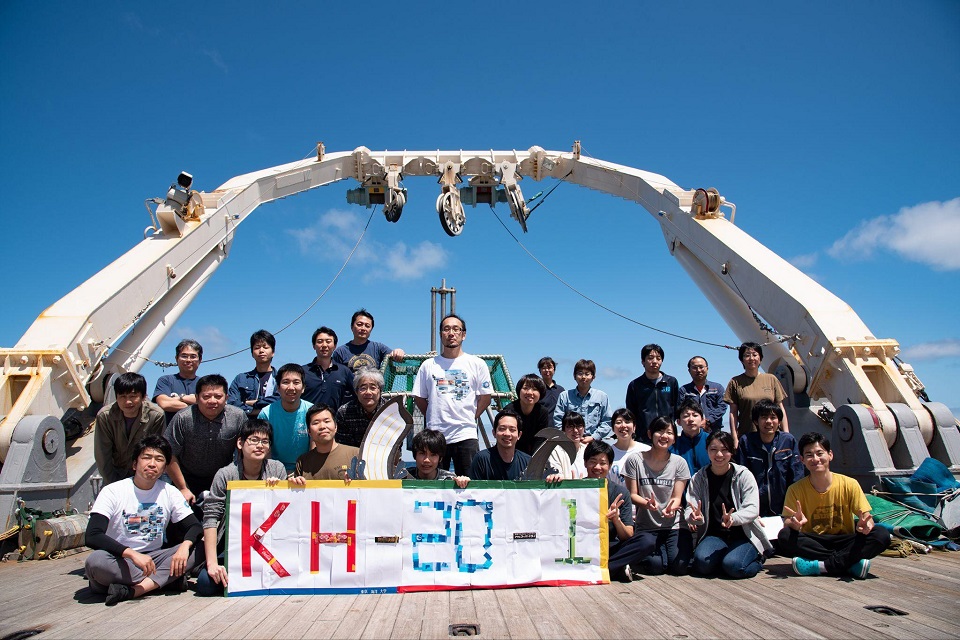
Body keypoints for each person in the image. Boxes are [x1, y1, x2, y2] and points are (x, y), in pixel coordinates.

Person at [84, 435, 201, 605]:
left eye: (159, 459)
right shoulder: (113, 491)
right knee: (96, 563)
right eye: (146, 457)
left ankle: (134, 590)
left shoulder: (169, 491)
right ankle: (164, 581)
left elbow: (195, 526)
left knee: (201, 546)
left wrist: (185, 546)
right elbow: (93, 535)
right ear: (134, 464)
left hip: (154, 558)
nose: (152, 463)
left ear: (165, 468)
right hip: (121, 559)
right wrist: (131, 554)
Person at [778, 432, 890, 579]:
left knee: (881, 535)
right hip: (815, 541)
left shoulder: (849, 484)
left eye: (819, 453)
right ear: (802, 460)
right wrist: (794, 523)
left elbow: (867, 518)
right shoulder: (795, 489)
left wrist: (866, 525)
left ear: (830, 455)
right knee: (785, 536)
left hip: (845, 539)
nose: (815, 459)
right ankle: (850, 564)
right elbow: (787, 521)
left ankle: (822, 566)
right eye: (809, 455)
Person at [196, 419, 287, 597]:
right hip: (232, 545)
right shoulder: (226, 474)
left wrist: (277, 491)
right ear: (240, 443)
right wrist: (212, 563)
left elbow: (284, 514)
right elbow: (211, 517)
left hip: (267, 545)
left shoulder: (276, 469)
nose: (259, 446)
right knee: (206, 584)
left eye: (265, 441)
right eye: (253, 440)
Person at [610, 417, 691, 579]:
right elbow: (632, 495)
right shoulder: (635, 460)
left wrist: (672, 507)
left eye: (669, 432)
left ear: (675, 438)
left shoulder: (679, 463)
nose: (664, 436)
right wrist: (646, 503)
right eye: (659, 431)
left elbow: (677, 497)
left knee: (679, 567)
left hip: (674, 525)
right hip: (647, 527)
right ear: (649, 434)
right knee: (656, 567)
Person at [413, 314, 492, 476]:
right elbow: (419, 398)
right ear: (441, 333)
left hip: (466, 434)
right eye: (446, 329)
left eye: (456, 329)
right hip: (435, 435)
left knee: (469, 484)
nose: (451, 333)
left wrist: (471, 416)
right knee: (433, 485)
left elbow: (485, 398)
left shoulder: (477, 364)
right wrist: (433, 415)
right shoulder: (428, 365)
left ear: (464, 334)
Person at [686, 431, 770, 579]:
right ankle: (725, 559)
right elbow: (690, 507)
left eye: (724, 450)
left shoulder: (743, 475)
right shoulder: (699, 477)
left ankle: (757, 559)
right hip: (714, 535)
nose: (719, 454)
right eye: (713, 449)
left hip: (744, 535)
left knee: (734, 567)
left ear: (731, 452)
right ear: (707, 451)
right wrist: (694, 517)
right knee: (701, 564)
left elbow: (753, 509)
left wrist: (734, 518)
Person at [164, 374, 248, 505]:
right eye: (206, 396)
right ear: (196, 398)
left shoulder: (238, 416)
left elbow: (246, 451)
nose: (212, 401)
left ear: (226, 398)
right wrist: (182, 488)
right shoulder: (183, 417)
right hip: (186, 478)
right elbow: (169, 453)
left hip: (224, 479)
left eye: (218, 397)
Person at [548, 440, 634, 555]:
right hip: (579, 545)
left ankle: (608, 566)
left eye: (603, 463)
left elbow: (628, 535)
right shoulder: (575, 488)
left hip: (609, 546)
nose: (597, 467)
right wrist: (559, 485)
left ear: (610, 465)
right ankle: (612, 567)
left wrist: (616, 520)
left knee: (644, 542)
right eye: (593, 462)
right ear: (585, 463)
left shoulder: (621, 493)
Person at [736, 399, 805, 517]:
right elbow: (741, 477)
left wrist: (794, 505)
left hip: (785, 506)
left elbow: (797, 475)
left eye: (773, 417)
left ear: (779, 421)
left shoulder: (788, 441)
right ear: (756, 421)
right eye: (763, 417)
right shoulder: (746, 442)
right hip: (756, 509)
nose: (768, 421)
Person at [94, 372, 166, 485]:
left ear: (143, 397)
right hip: (115, 473)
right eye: (122, 396)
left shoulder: (155, 415)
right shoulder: (105, 416)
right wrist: (112, 484)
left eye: (133, 396)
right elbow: (103, 455)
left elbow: (154, 451)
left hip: (144, 474)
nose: (127, 402)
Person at [724, 342, 789, 443]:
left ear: (760, 358)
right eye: (747, 355)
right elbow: (733, 413)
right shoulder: (735, 382)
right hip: (747, 436)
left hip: (772, 436)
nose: (751, 358)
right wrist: (735, 438)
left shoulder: (771, 379)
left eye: (755, 355)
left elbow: (781, 409)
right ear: (741, 359)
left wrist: (786, 434)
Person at [258, 363, 313, 472]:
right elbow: (263, 446)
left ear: (303, 388)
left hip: (306, 469)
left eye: (296, 382)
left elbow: (315, 445)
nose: (291, 387)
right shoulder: (266, 413)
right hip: (274, 471)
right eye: (285, 382)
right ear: (278, 388)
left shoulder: (312, 411)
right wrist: (273, 472)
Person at [624, 344, 680, 443]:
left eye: (658, 358)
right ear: (643, 361)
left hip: (666, 435)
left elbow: (677, 407)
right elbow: (631, 412)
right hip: (643, 437)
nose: (654, 361)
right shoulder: (635, 385)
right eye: (650, 358)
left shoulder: (671, 382)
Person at [293, 404, 359, 481]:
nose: (322, 426)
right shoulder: (302, 461)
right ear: (309, 432)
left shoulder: (356, 454)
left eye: (327, 421)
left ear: (336, 427)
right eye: (316, 423)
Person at [553, 359, 612, 442]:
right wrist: (567, 437)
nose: (583, 377)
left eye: (587, 374)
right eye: (580, 373)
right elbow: (558, 419)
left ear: (593, 377)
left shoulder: (602, 397)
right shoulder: (565, 396)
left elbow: (607, 421)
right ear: (574, 376)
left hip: (593, 442)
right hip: (569, 442)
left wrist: (594, 437)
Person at [332, 308, 406, 373]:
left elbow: (394, 356)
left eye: (367, 326)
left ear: (371, 329)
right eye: (359, 324)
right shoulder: (340, 352)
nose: (363, 328)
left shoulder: (378, 348)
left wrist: (398, 351)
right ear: (352, 327)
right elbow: (335, 376)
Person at [227, 329, 279, 418]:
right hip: (247, 426)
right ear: (252, 353)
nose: (261, 350)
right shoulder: (241, 379)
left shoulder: (280, 379)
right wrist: (256, 411)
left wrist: (250, 403)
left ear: (273, 352)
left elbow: (280, 400)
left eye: (265, 347)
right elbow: (232, 403)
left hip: (273, 425)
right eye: (257, 347)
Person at [467, 409, 531, 481]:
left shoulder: (528, 462)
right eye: (502, 429)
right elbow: (473, 489)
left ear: (519, 435)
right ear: (494, 433)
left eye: (512, 429)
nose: (507, 434)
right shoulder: (481, 459)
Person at [302, 326, 354, 412]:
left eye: (328, 341)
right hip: (308, 423)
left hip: (335, 423)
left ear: (335, 346)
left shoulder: (344, 371)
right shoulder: (303, 372)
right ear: (314, 346)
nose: (324, 345)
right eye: (320, 341)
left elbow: (358, 394)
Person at [153, 339, 203, 423]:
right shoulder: (165, 380)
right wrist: (195, 404)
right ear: (176, 359)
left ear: (200, 359)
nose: (188, 360)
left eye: (193, 356)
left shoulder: (205, 383)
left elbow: (208, 404)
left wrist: (180, 398)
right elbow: (164, 403)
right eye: (184, 356)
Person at [395, 429, 469, 486]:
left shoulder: (449, 479)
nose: (427, 460)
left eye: (433, 455)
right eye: (422, 453)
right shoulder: (403, 476)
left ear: (440, 458)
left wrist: (463, 482)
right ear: (415, 455)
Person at [335, 368, 386, 448]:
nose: (368, 392)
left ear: (380, 390)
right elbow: (343, 445)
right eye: (363, 388)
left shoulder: (391, 409)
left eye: (373, 388)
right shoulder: (344, 412)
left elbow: (396, 442)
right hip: (353, 457)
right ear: (356, 392)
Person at [505, 373, 551, 455]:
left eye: (534, 389)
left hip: (533, 454)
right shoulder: (509, 411)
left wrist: (533, 460)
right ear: (519, 391)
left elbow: (540, 439)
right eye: (525, 388)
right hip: (510, 452)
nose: (529, 392)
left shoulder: (542, 412)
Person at [679, 356, 726, 433]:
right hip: (691, 432)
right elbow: (681, 410)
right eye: (694, 367)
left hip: (714, 431)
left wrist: (708, 421)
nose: (698, 370)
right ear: (689, 370)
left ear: (707, 369)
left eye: (701, 367)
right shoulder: (684, 390)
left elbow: (722, 407)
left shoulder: (717, 388)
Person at [671, 398, 710, 476]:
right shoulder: (672, 446)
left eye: (695, 415)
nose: (691, 419)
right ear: (678, 422)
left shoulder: (711, 441)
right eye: (686, 416)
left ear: (702, 420)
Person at [609, 408, 649, 481]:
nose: (623, 425)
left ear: (634, 427)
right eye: (618, 422)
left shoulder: (646, 450)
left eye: (627, 422)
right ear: (613, 428)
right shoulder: (608, 453)